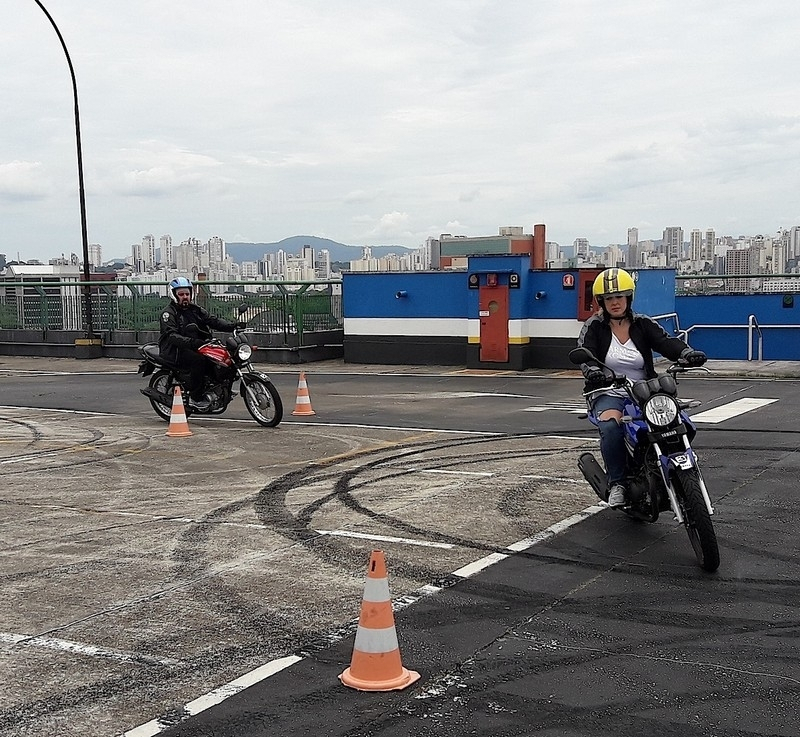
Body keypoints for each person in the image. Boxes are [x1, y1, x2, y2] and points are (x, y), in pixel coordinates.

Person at [576, 268, 707, 508]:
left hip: (645, 390)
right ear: (601, 302)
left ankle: (674, 467)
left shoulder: (643, 323)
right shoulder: (593, 326)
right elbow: (586, 355)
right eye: (609, 298)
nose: (615, 302)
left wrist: (687, 354)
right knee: (610, 426)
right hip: (608, 391)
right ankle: (618, 483)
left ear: (629, 298)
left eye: (620, 296)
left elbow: (665, 342)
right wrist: (594, 373)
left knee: (677, 419)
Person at [159, 277, 243, 410]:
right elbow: (171, 336)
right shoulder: (169, 314)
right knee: (199, 361)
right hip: (175, 350)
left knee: (221, 359)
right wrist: (193, 342)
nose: (185, 297)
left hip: (198, 345)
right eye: (181, 294)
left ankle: (218, 387)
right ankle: (195, 397)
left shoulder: (195, 309)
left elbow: (212, 320)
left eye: (187, 294)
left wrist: (232, 326)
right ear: (174, 295)